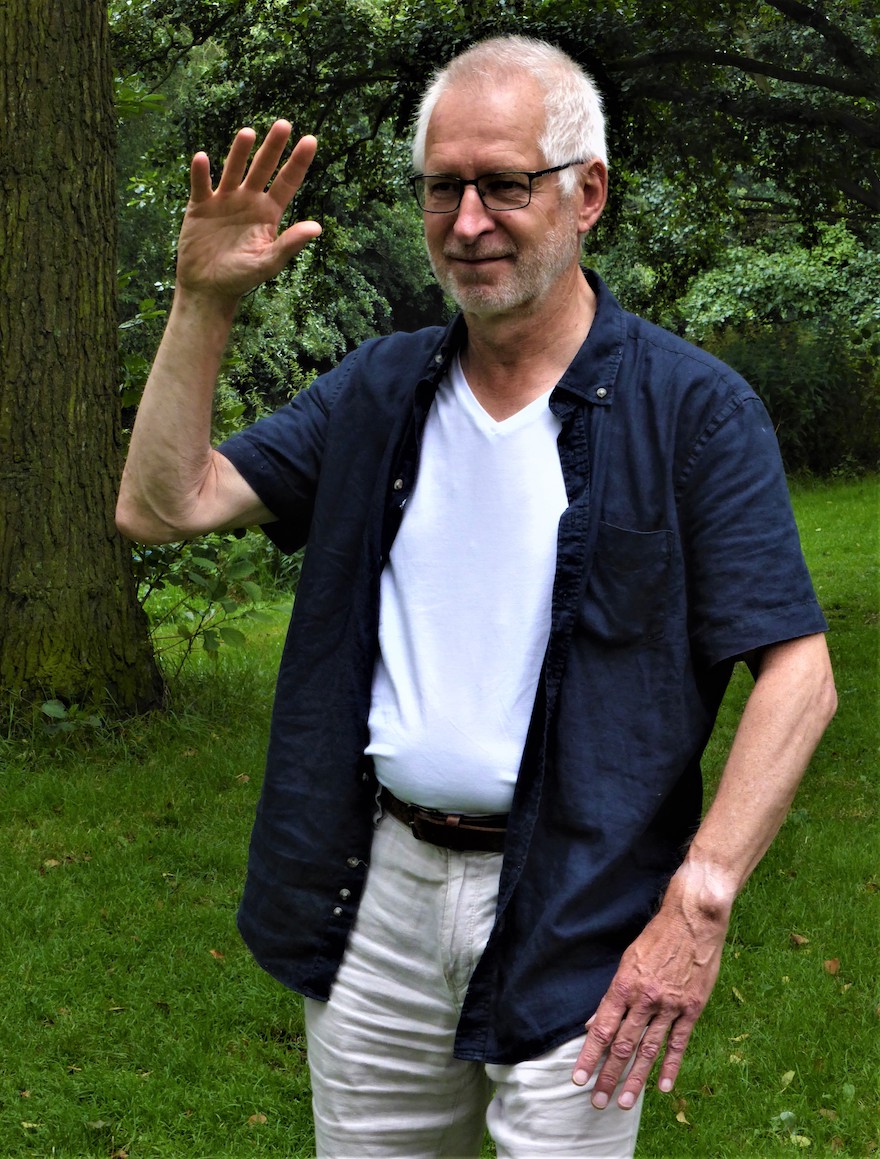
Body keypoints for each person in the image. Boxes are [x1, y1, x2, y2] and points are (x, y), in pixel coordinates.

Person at [116, 34, 837, 1159]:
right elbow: (165, 504)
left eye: (503, 184)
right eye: (442, 187)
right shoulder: (380, 390)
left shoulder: (693, 411)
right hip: (376, 898)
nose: (467, 221)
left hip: (586, 906)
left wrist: (699, 897)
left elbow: (798, 671)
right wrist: (200, 306)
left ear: (586, 191)